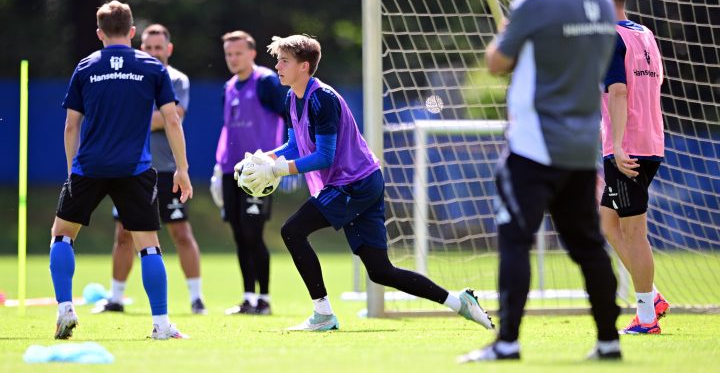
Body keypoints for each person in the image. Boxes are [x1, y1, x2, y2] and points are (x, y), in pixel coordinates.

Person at [237, 34, 495, 332]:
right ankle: (459, 301)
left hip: (354, 184)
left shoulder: (323, 98)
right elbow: (294, 146)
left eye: (284, 61)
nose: (277, 67)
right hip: (361, 181)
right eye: (278, 60)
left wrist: (278, 170)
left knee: (292, 231)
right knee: (380, 271)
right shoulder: (291, 97)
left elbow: (324, 156)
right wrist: (263, 158)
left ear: (304, 66)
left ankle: (322, 315)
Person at [458, 0, 621, 362]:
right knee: (588, 245)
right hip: (583, 146)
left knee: (515, 240)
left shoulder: (533, 2)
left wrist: (508, 35)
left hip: (534, 147)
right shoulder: (604, 5)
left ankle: (506, 342)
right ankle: (609, 341)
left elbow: (496, 62)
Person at [50, 0, 193, 340]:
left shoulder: (85, 67)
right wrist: (182, 169)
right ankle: (160, 324)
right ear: (132, 32)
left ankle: (65, 309)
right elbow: (172, 119)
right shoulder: (152, 67)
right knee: (149, 246)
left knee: (62, 235)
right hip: (136, 167)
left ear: (99, 32)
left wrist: (72, 171)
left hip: (89, 166)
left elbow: (72, 126)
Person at [93, 24, 206, 315]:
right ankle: (116, 297)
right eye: (149, 47)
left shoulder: (177, 79)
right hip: (133, 168)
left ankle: (196, 298)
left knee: (180, 232)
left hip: (167, 169)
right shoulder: (131, 76)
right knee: (124, 234)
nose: (154, 52)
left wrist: (131, 115)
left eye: (159, 47)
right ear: (140, 47)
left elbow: (173, 118)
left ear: (168, 49)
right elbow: (158, 117)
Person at [590, 0, 668, 334]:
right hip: (650, 140)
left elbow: (619, 92)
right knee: (608, 222)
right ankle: (652, 297)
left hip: (628, 147)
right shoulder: (645, 34)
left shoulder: (609, 36)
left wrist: (618, 145)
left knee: (634, 232)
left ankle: (647, 319)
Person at [213, 30, 287, 316]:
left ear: (252, 53)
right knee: (238, 234)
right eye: (229, 54)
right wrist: (218, 166)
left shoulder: (266, 81)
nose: (233, 58)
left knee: (253, 232)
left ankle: (264, 299)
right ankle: (247, 298)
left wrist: (280, 159)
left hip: (258, 172)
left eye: (238, 52)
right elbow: (226, 129)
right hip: (231, 171)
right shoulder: (228, 87)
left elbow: (287, 115)